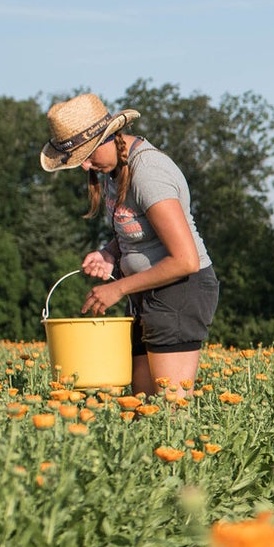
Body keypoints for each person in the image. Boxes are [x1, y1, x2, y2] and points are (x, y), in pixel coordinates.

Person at [41, 94, 219, 396]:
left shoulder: (148, 172)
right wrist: (110, 252)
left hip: (178, 292)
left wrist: (118, 288)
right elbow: (140, 228)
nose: (85, 167)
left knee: (168, 409)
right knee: (142, 408)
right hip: (144, 293)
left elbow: (185, 260)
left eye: (87, 154)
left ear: (110, 135)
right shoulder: (113, 170)